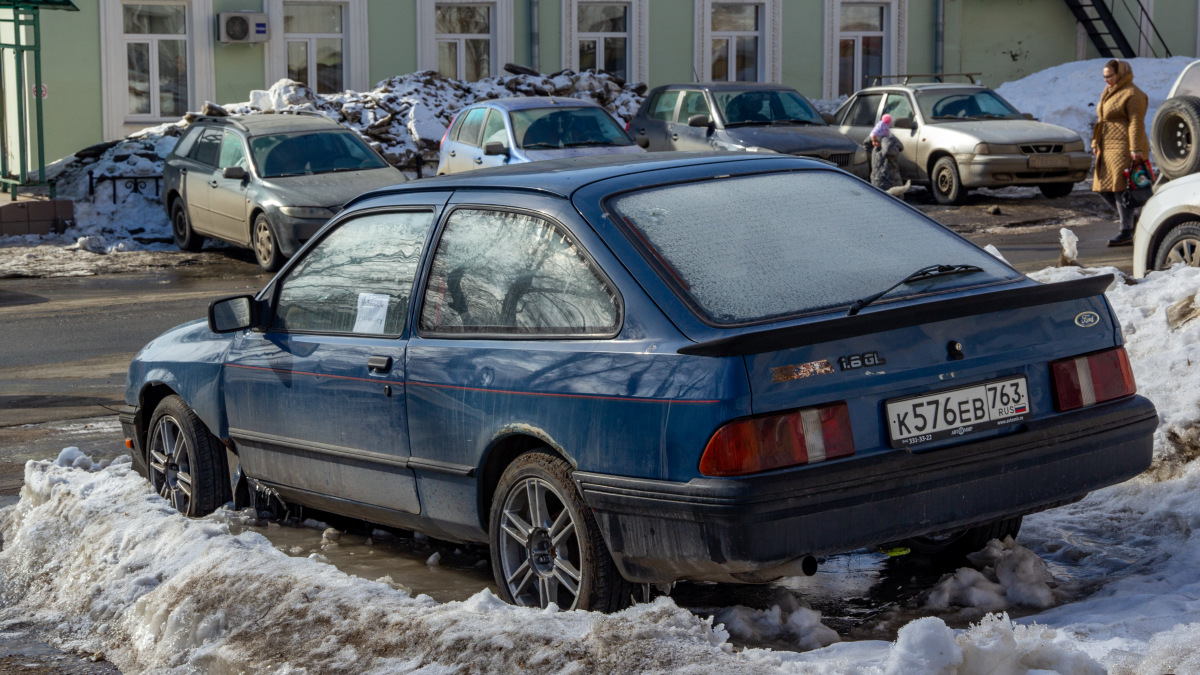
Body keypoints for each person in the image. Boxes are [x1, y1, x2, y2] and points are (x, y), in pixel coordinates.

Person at [1092, 59, 1150, 247]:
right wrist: (1095, 142)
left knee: (1121, 188)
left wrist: (1136, 148)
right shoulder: (1109, 91)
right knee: (1102, 187)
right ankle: (1133, 221)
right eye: (1104, 76)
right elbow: (1101, 120)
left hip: (1124, 147)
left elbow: (1136, 122)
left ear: (1122, 73)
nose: (1106, 80)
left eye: (1110, 76)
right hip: (1107, 147)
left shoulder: (1133, 94)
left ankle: (1126, 231)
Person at [866, 114, 905, 194]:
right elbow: (866, 145)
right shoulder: (876, 149)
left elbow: (887, 151)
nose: (874, 144)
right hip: (877, 182)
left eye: (876, 141)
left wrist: (885, 139)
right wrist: (872, 137)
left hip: (890, 184)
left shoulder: (891, 148)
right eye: (873, 141)